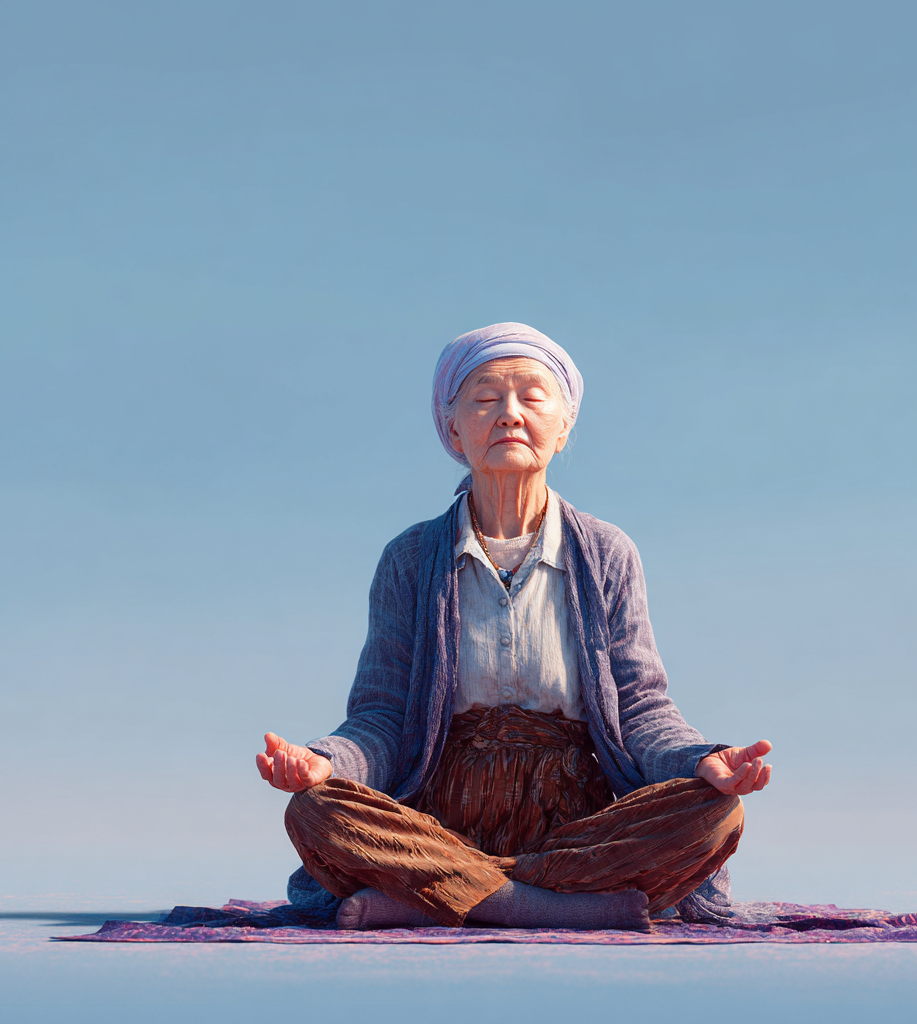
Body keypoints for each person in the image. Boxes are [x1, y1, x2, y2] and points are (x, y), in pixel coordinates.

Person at [256, 322, 772, 931]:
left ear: (564, 426)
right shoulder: (409, 558)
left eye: (531, 397)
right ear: (453, 429)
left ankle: (436, 899)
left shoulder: (607, 553)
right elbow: (381, 719)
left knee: (716, 812)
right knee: (314, 811)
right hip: (437, 827)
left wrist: (701, 761)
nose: (508, 414)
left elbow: (640, 709)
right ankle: (562, 908)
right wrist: (325, 763)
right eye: (483, 400)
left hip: (576, 831)